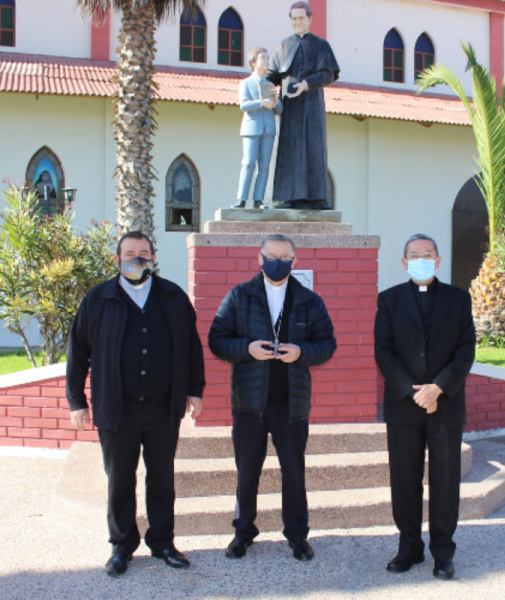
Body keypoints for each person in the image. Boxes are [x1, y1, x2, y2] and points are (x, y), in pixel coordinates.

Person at [66, 231, 206, 578]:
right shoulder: (98, 299)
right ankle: (121, 547)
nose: (137, 258)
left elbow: (191, 347)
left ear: (153, 258)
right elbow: (77, 352)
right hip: (117, 409)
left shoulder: (173, 297)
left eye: (144, 253)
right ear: (117, 259)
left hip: (163, 408)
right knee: (120, 480)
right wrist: (76, 401)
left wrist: (195, 390)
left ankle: (162, 542)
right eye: (130, 253)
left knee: (162, 479)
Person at [208, 233, 337, 561]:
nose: (277, 263)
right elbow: (217, 339)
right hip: (249, 403)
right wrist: (246, 349)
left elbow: (327, 345)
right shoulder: (239, 296)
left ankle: (297, 536)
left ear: (295, 262)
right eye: (271, 256)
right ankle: (242, 533)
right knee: (247, 471)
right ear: (259, 258)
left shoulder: (310, 300)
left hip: (291, 405)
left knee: (293, 472)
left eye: (284, 257)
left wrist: (301, 353)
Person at [374, 233, 476, 581]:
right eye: (414, 255)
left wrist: (438, 389)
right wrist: (414, 391)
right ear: (404, 263)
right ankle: (409, 548)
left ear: (438, 260)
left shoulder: (459, 299)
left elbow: (465, 351)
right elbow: (383, 352)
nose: (421, 259)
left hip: (445, 404)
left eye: (427, 254)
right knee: (405, 480)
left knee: (445, 481)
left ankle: (443, 552)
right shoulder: (388, 300)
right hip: (404, 405)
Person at [265, 1, 340, 210]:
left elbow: (328, 73)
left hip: (312, 103)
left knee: (313, 147)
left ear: (310, 19)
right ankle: (285, 197)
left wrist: (306, 84)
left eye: (301, 18)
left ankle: (315, 198)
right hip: (288, 105)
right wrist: (265, 87)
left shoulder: (321, 45)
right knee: (287, 147)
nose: (297, 22)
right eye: (294, 18)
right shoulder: (282, 45)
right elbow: (273, 75)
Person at [233, 47, 283, 209]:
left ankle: (258, 200)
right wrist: (262, 103)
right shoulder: (246, 83)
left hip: (268, 128)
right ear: (253, 62)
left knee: (264, 166)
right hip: (251, 128)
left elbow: (279, 110)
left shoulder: (270, 85)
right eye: (263, 58)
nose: (266, 61)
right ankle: (241, 199)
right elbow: (243, 105)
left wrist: (276, 99)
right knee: (248, 163)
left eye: (268, 58)